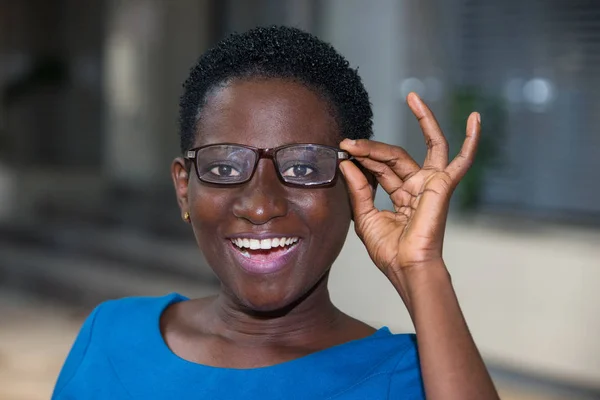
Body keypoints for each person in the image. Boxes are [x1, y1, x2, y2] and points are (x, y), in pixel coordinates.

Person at [52, 26, 499, 399]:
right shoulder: (110, 335)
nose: (262, 204)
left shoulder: (411, 378)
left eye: (302, 167)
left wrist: (420, 267)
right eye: (225, 166)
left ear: (356, 187)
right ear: (185, 188)